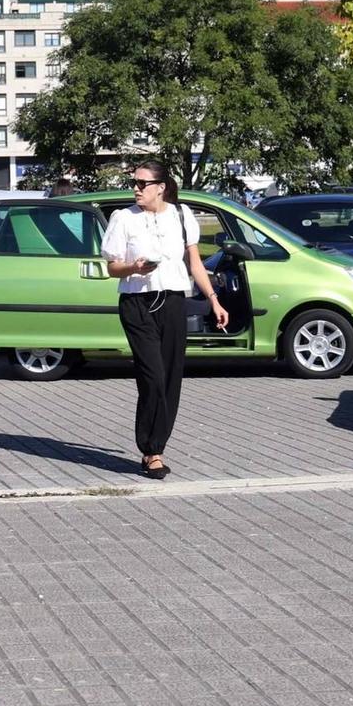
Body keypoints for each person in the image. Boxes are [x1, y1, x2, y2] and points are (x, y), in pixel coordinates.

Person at [101, 162, 228, 478]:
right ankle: (150, 448)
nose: (136, 188)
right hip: (137, 303)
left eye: (142, 183)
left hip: (173, 302)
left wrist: (213, 300)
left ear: (160, 186)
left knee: (171, 378)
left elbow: (195, 264)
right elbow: (111, 267)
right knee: (153, 376)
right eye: (134, 182)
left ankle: (156, 449)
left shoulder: (182, 216)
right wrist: (133, 268)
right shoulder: (123, 218)